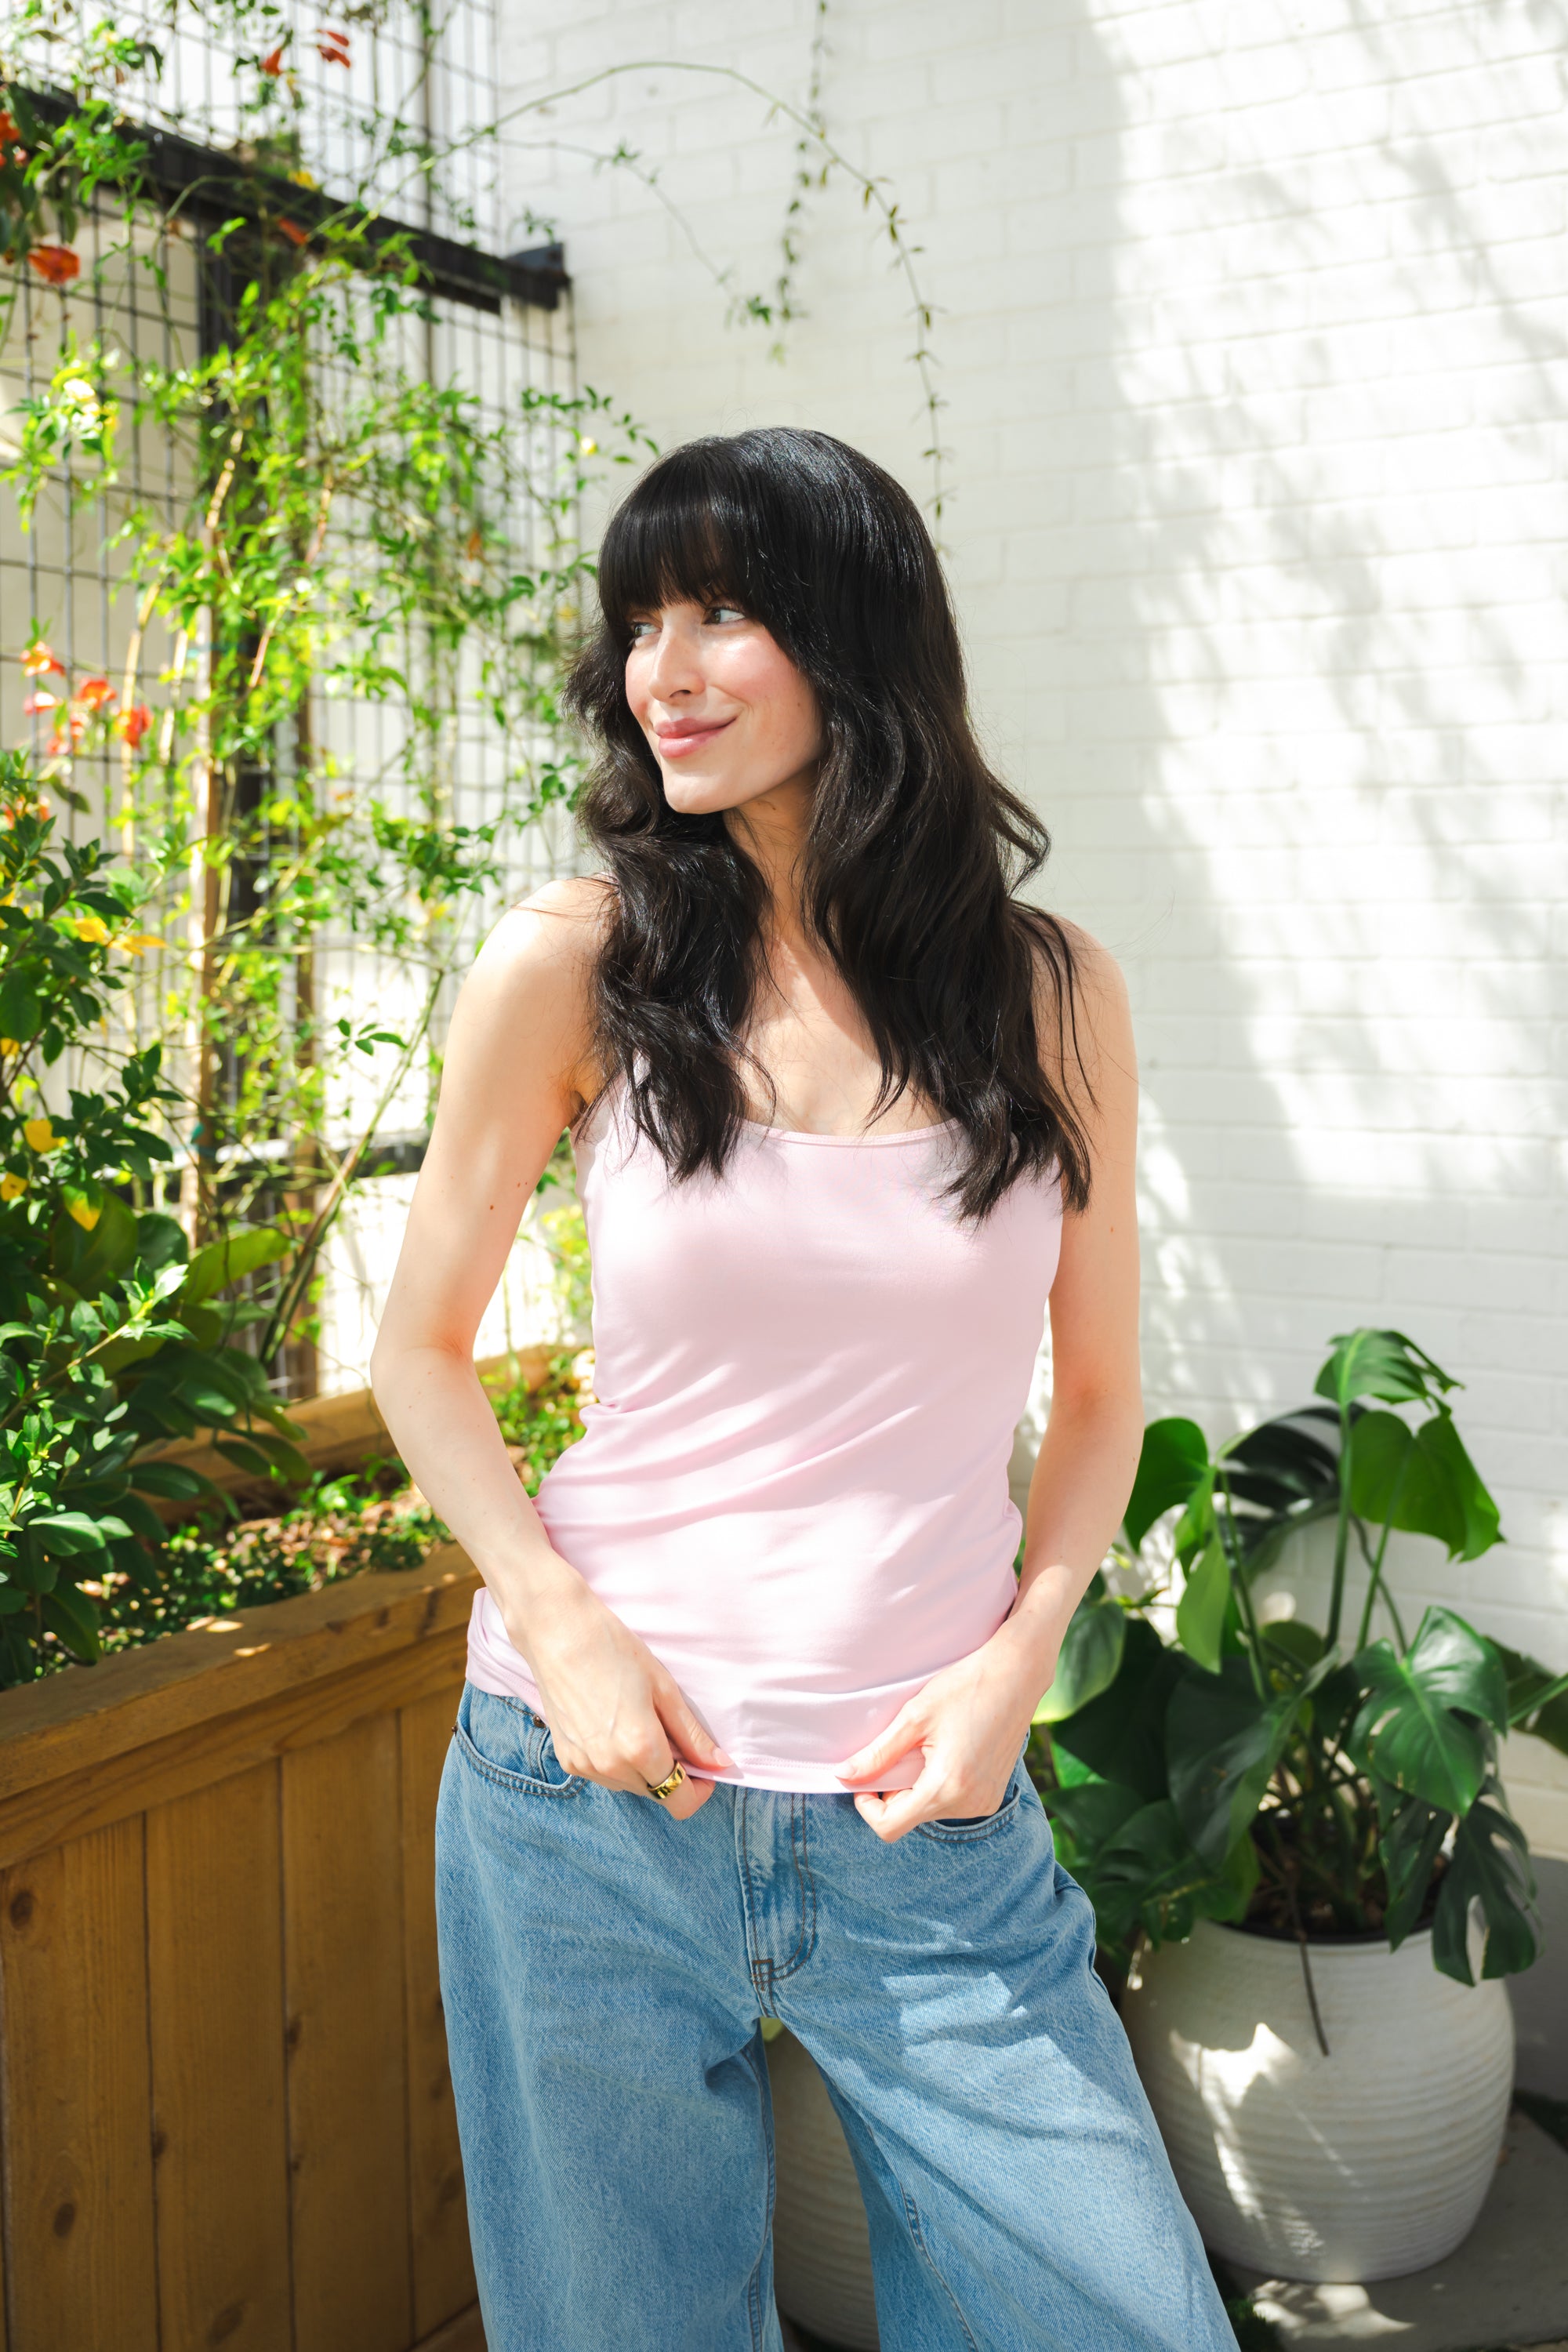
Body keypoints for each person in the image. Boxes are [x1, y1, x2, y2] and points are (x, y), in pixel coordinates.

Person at [370, 427, 1234, 2352]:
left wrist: (1021, 1659)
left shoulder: (1047, 994)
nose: (661, 668)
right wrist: (561, 1622)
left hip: (917, 1809)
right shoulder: (576, 965)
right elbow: (417, 1357)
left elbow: (1095, 1396)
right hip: (587, 1796)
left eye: (722, 613)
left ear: (855, 641)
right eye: (639, 622)